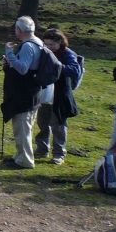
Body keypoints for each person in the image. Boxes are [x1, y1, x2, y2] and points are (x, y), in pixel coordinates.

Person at [1, 16, 44, 169]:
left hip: (24, 93)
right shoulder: (38, 42)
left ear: (19, 30)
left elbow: (22, 68)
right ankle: (19, 156)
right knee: (24, 126)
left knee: (22, 126)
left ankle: (25, 160)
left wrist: (9, 53)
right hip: (32, 92)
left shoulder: (27, 46)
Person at [35, 28, 83, 165]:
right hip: (45, 92)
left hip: (60, 94)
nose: (49, 47)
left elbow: (74, 70)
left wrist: (57, 67)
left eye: (52, 45)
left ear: (60, 42)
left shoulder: (68, 54)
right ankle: (42, 149)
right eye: (47, 44)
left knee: (58, 125)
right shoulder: (44, 52)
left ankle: (59, 153)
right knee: (42, 122)